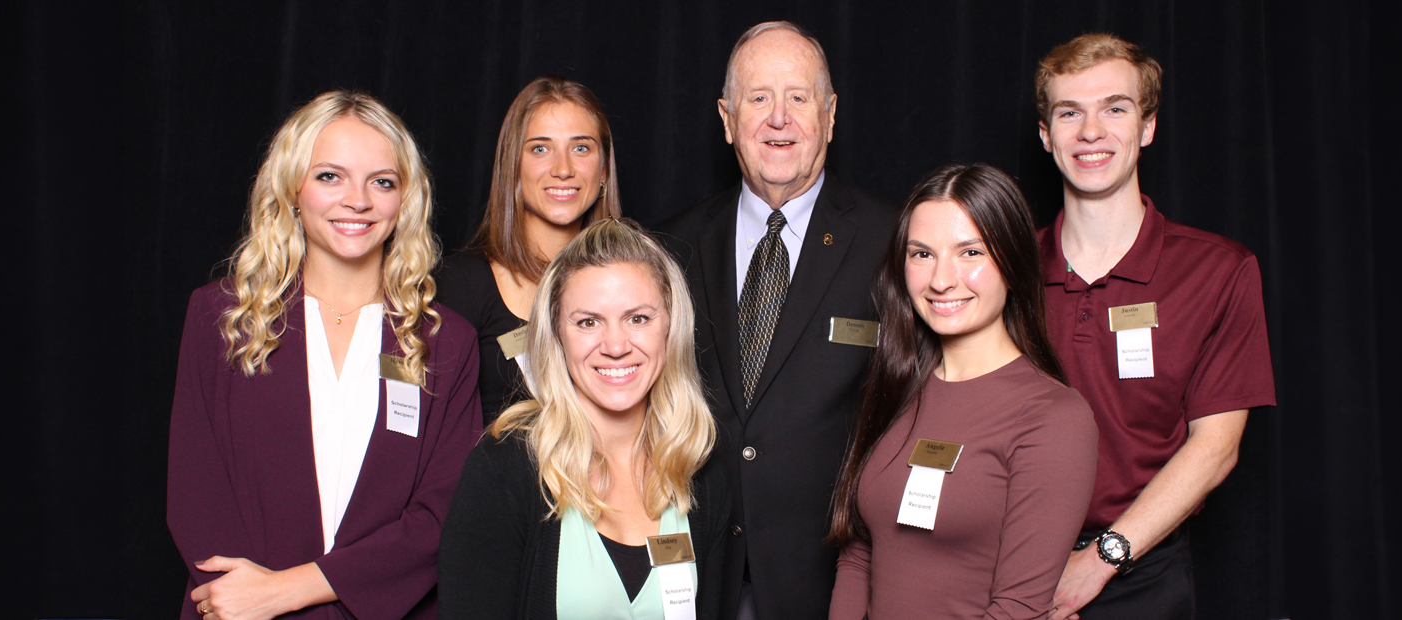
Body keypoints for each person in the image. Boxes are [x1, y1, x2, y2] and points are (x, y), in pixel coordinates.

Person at [166, 91, 482, 620]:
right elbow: (196, 493)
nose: (356, 200)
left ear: (404, 200)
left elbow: (441, 517)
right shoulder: (220, 319)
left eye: (382, 181)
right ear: (293, 188)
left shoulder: (445, 342)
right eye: (330, 176)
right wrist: (250, 600)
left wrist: (293, 590)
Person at [654, 20, 898, 620]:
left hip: (832, 576)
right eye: (759, 98)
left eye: (799, 97)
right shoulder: (672, 247)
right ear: (727, 117)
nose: (779, 118)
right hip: (695, 571)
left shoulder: (893, 241)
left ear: (831, 113)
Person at [1032, 35, 1277, 620]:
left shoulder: (1219, 270)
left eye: (1115, 108)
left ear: (1147, 127)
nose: (1091, 131)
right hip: (1008, 568)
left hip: (1140, 573)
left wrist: (1099, 561)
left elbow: (1216, 448)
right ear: (1046, 135)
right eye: (1070, 112)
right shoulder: (999, 268)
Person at [825, 163, 1098, 619]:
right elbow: (859, 553)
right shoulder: (896, 386)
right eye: (922, 254)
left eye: (970, 253)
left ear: (1012, 263)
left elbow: (1018, 609)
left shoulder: (1054, 417)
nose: (941, 280)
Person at [438, 218, 730, 620]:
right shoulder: (505, 469)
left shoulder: (701, 468)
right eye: (588, 322)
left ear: (671, 327)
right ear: (557, 334)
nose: (615, 345)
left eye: (638, 318)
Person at [438, 75, 622, 424]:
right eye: (540, 148)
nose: (563, 169)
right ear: (513, 167)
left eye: (581, 148)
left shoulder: (635, 284)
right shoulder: (460, 285)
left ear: (603, 170)